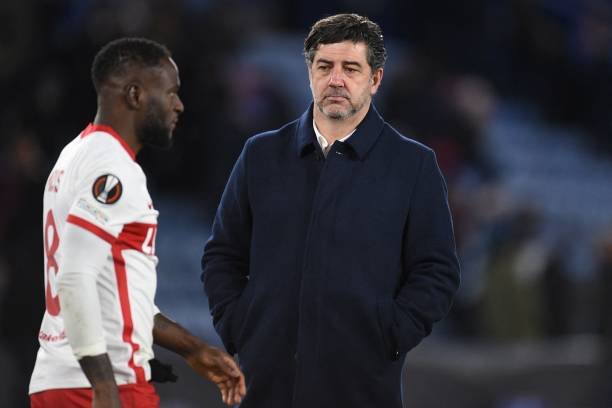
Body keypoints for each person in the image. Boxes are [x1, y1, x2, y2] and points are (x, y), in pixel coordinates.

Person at [202, 13, 460, 408]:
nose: (336, 80)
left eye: (350, 68)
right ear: (310, 73)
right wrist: (240, 326)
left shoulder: (413, 164)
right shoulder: (260, 154)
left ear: (375, 79)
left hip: (363, 389)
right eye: (325, 67)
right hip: (266, 385)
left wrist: (389, 336)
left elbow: (437, 271)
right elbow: (223, 254)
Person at [29, 37, 246, 407]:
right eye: (171, 92)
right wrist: (104, 386)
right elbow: (74, 277)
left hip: (60, 379)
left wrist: (192, 348)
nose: (179, 104)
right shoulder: (113, 167)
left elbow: (116, 297)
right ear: (135, 95)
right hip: (103, 384)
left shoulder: (74, 154)